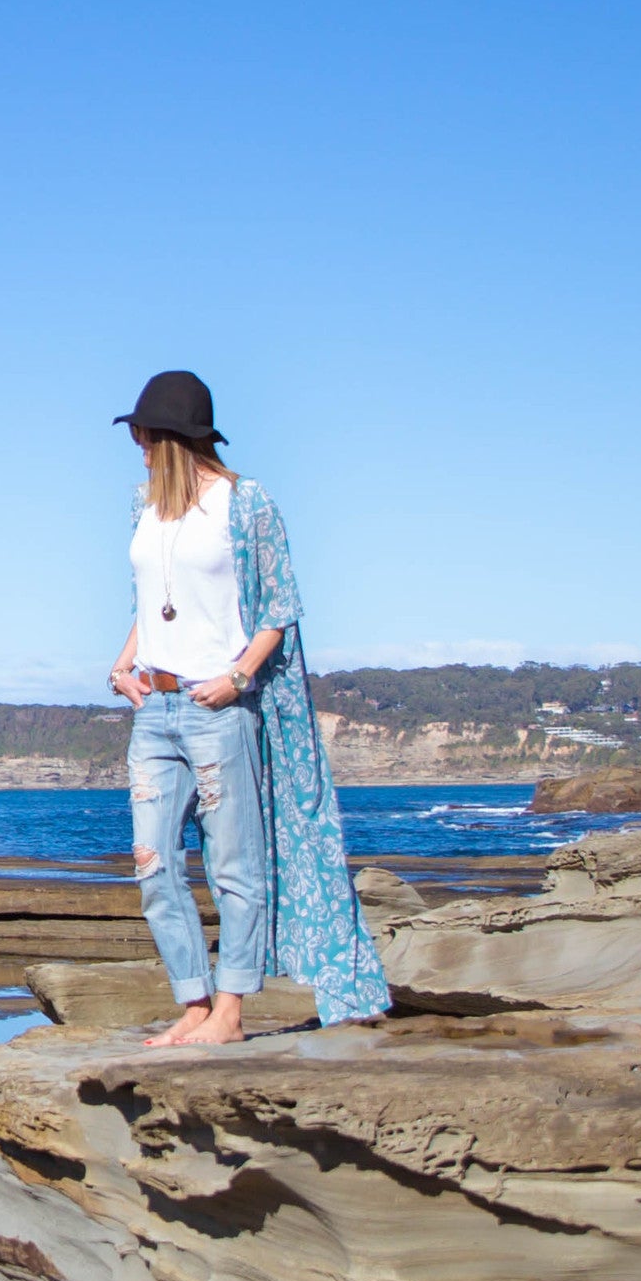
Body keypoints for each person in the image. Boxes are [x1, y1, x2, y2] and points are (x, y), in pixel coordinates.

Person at [104, 370, 391, 1043]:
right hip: (156, 706)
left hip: (217, 705)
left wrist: (237, 678)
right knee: (152, 861)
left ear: (171, 437)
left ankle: (230, 1011)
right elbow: (151, 602)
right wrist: (122, 662)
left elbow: (279, 610)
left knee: (234, 865)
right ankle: (194, 1005)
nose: (137, 444)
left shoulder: (244, 503)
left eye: (143, 433)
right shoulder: (143, 509)